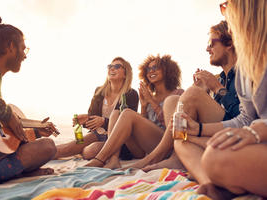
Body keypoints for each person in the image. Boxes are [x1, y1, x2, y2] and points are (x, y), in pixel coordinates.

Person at [127, 20, 240, 172]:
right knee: (173, 101)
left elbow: (243, 116)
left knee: (185, 95)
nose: (207, 48)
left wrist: (216, 89)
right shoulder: (220, 78)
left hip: (236, 131)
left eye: (212, 43)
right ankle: (177, 156)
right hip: (212, 130)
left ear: (229, 44)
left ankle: (158, 157)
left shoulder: (244, 73)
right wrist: (203, 90)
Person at [182, 0, 266, 199]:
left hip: (259, 137)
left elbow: (243, 117)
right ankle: (218, 184)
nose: (224, 13)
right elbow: (245, 118)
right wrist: (198, 129)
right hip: (255, 137)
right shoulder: (248, 66)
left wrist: (258, 131)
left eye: (226, 5)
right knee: (188, 140)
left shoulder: (237, 71)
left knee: (215, 157)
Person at [0, 16, 57, 188]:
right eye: (23, 49)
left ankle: (19, 171)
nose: (24, 55)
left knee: (46, 146)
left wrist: (35, 132)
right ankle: (19, 171)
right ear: (10, 46)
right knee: (48, 147)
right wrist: (7, 114)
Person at [85, 54, 184, 169]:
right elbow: (144, 127)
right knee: (117, 113)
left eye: (155, 67)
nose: (150, 71)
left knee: (126, 113)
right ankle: (113, 159)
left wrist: (151, 101)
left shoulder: (178, 94)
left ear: (167, 71)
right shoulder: (148, 96)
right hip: (144, 148)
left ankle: (100, 159)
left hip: (166, 147)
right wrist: (143, 106)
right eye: (148, 69)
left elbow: (172, 126)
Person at [54, 57, 139, 161]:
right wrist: (84, 121)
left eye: (117, 66)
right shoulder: (99, 91)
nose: (112, 69)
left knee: (90, 151)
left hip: (119, 140)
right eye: (110, 66)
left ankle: (82, 150)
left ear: (126, 74)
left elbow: (127, 125)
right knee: (67, 147)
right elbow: (93, 119)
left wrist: (103, 121)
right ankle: (41, 155)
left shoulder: (131, 94)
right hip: (98, 134)